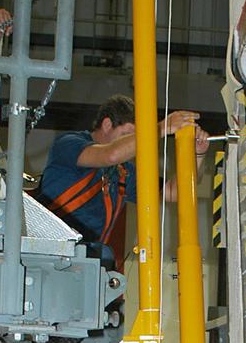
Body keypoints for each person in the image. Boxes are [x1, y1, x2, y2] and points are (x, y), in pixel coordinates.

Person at [38, 95, 210, 262]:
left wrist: (196, 155)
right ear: (107, 125)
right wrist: (161, 128)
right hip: (47, 248)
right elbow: (110, 155)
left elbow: (174, 193)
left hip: (85, 258)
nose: (137, 145)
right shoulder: (69, 144)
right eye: (127, 135)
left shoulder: (123, 172)